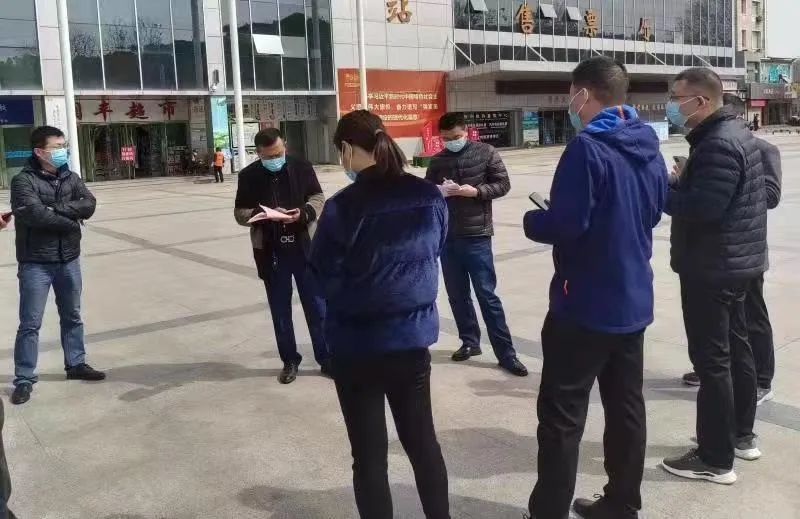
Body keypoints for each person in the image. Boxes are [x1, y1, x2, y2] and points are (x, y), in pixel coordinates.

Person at [523, 57, 667, 519]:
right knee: (626, 408)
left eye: (571, 94)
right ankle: (622, 503)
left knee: (562, 416)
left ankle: (548, 511)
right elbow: (654, 210)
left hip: (583, 304)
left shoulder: (586, 148)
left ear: (584, 94)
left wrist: (534, 220)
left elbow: (566, 225)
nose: (570, 103)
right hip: (633, 299)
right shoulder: (649, 144)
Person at [310, 110, 450, 519]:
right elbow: (436, 248)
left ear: (347, 149)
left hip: (357, 346)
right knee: (423, 444)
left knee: (369, 456)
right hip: (411, 342)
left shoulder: (343, 207)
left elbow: (321, 275)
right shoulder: (429, 195)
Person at [660, 68, 767, 484]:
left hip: (713, 267)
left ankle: (714, 457)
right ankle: (739, 436)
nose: (672, 105)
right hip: (734, 263)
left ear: (700, 101)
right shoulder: (735, 133)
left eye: (676, 97)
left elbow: (704, 209)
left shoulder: (718, 143)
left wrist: (662, 191)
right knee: (738, 352)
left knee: (713, 361)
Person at [681, 93, 781, 406]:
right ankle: (712, 368)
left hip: (745, 250)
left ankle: (762, 378)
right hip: (717, 252)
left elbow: (771, 195)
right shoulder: (707, 145)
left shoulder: (762, 149)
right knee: (716, 322)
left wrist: (733, 188)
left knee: (752, 318)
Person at [424, 112, 528, 377]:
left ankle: (507, 354)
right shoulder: (438, 160)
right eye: (446, 139)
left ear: (467, 131)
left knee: (487, 295)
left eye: (456, 137)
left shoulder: (486, 152)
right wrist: (438, 191)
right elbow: (427, 192)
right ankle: (469, 342)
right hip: (448, 238)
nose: (452, 142)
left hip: (477, 235)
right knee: (457, 295)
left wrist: (476, 192)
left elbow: (503, 184)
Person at [9, 126, 106, 406]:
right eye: (57, 146)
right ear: (40, 151)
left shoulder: (71, 177)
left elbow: (89, 204)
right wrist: (71, 220)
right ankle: (24, 378)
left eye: (64, 145)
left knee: (72, 315)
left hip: (68, 260)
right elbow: (34, 215)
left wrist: (56, 209)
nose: (63, 150)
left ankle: (76, 364)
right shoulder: (23, 181)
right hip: (36, 263)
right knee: (30, 323)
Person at [234, 128, 331, 384]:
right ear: (258, 153)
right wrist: (260, 214)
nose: (275, 159)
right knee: (280, 312)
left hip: (305, 248)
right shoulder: (248, 176)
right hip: (272, 252)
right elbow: (239, 213)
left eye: (279, 153)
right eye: (269, 156)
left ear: (284, 145)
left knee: (317, 307)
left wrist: (304, 212)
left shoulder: (302, 167)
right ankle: (289, 361)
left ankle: (326, 358)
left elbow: (318, 196)